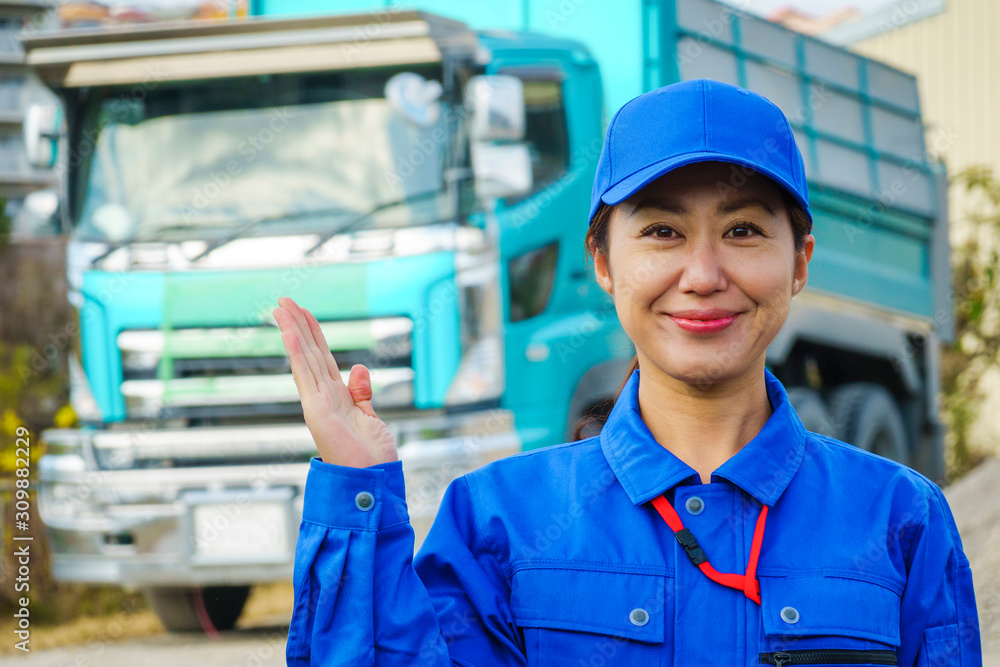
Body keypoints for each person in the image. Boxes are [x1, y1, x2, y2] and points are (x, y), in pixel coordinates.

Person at [273, 78, 982, 666]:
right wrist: (357, 496)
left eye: (742, 230)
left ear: (799, 262)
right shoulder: (498, 521)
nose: (702, 275)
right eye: (662, 231)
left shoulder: (901, 518)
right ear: (604, 263)